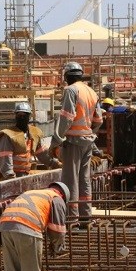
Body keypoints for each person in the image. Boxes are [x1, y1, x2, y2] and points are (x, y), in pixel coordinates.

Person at [50, 62, 103, 223]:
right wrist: (88, 133)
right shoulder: (91, 92)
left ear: (67, 77)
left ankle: (72, 218)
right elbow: (98, 120)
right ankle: (86, 217)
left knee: (70, 180)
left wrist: (56, 140)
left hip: (73, 141)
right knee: (84, 180)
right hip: (87, 142)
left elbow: (66, 117)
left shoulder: (71, 90)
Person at [0, 102, 61, 180]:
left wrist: (55, 164)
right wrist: (10, 177)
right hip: (10, 177)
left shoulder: (33, 134)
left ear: (29, 116)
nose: (22, 118)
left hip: (24, 175)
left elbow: (42, 154)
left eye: (24, 115)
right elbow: (5, 159)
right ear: (15, 116)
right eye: (19, 115)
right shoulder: (8, 135)